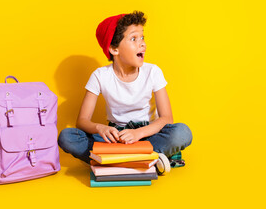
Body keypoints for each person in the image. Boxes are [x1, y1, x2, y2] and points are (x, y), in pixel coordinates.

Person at [58, 11, 192, 175]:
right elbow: (82, 121)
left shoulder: (153, 72)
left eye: (142, 37)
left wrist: (138, 134)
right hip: (115, 139)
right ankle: (146, 160)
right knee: (67, 136)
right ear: (114, 49)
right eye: (134, 38)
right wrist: (100, 128)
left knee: (182, 132)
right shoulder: (100, 76)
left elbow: (167, 119)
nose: (142, 44)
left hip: (148, 134)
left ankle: (112, 162)